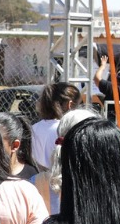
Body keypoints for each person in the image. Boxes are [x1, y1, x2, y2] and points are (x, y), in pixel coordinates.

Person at [32, 83, 83, 214]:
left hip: (38, 181)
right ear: (70, 105)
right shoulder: (66, 128)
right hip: (60, 184)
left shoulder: (35, 127)